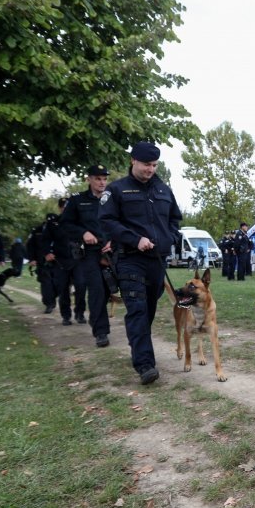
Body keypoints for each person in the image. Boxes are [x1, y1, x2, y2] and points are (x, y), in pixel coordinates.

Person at [99, 141, 182, 385]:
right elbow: (106, 221)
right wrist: (135, 239)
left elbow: (175, 220)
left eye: (155, 165)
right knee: (137, 309)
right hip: (129, 259)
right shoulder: (117, 190)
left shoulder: (164, 190)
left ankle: (138, 343)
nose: (151, 169)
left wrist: (171, 238)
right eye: (147, 164)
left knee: (149, 309)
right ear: (133, 161)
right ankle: (145, 364)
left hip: (157, 261)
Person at [61, 165, 113, 347]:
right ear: (89, 179)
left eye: (104, 179)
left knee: (109, 290)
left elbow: (123, 223)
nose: (102, 182)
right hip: (89, 253)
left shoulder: (113, 199)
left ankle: (96, 318)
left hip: (111, 252)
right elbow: (65, 224)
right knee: (97, 289)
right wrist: (83, 233)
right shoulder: (77, 201)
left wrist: (113, 240)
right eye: (98, 178)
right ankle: (101, 331)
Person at [43, 198, 86, 326]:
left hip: (78, 258)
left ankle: (80, 313)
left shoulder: (79, 221)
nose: (65, 209)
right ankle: (66, 316)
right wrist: (47, 253)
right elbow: (44, 240)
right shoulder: (54, 223)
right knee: (63, 289)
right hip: (60, 260)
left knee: (81, 286)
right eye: (63, 207)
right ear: (60, 208)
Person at [26, 213, 58, 313]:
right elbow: (30, 246)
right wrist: (32, 259)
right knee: (46, 282)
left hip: (58, 261)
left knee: (58, 283)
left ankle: (50, 299)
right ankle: (49, 303)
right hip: (42, 261)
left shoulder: (60, 229)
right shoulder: (37, 231)